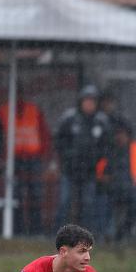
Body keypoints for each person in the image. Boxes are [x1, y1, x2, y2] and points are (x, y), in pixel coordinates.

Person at [54, 85, 109, 231]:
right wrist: (69, 156)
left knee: (88, 204)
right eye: (87, 101)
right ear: (81, 102)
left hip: (89, 171)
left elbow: (107, 146)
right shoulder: (69, 119)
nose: (89, 104)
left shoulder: (101, 122)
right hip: (69, 170)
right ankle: (59, 233)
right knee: (65, 202)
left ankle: (85, 237)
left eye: (92, 101)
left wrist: (95, 159)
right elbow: (59, 141)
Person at [0, 85, 52, 235]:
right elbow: (0, 135)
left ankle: (35, 230)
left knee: (35, 194)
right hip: (13, 160)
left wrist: (44, 155)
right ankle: (17, 229)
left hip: (33, 159)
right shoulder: (4, 111)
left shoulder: (34, 110)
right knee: (15, 195)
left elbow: (44, 134)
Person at [97, 121, 136, 241]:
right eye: (117, 134)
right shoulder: (109, 151)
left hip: (132, 189)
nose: (120, 137)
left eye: (122, 134)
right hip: (111, 190)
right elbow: (101, 174)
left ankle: (124, 231)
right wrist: (107, 181)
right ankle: (105, 234)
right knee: (101, 204)